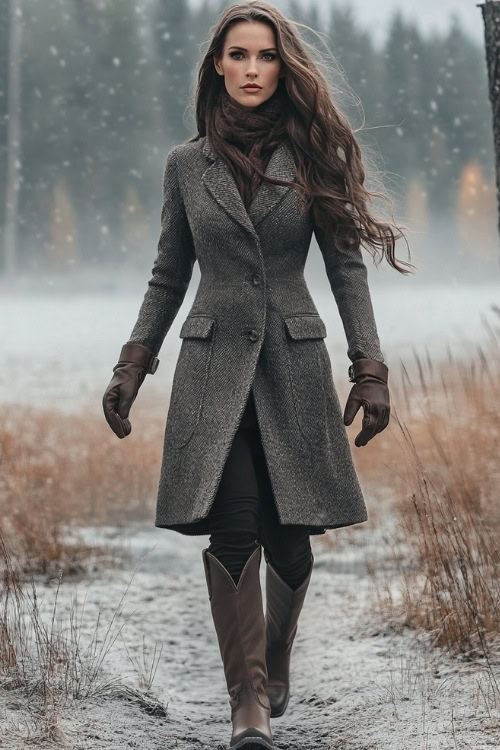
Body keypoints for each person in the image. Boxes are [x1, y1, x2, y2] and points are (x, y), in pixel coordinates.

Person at [102, 3, 413, 748]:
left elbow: (345, 272)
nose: (250, 69)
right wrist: (132, 363)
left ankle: (274, 662)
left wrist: (369, 368)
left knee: (290, 534)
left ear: (283, 67)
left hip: (293, 364)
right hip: (213, 371)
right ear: (217, 64)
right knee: (234, 523)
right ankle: (247, 702)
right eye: (237, 55)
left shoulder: (312, 160)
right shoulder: (186, 165)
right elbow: (167, 273)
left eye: (265, 56)